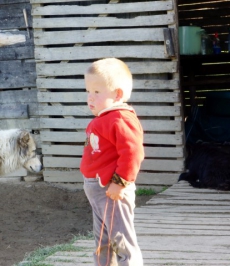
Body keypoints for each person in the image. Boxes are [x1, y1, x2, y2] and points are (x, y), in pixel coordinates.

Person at [80, 58, 144, 266]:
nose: (90, 97)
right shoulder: (102, 118)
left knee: (121, 240)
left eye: (97, 92)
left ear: (117, 94)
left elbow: (132, 153)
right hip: (97, 191)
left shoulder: (120, 119)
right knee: (102, 240)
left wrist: (120, 182)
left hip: (111, 189)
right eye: (88, 91)